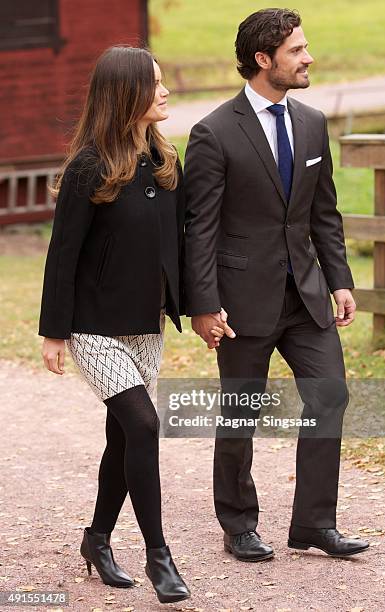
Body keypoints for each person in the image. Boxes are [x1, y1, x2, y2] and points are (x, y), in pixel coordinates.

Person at [183, 8, 370, 561]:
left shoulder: (312, 122)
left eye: (305, 48)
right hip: (241, 302)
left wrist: (339, 280)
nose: (308, 57)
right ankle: (238, 523)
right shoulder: (213, 132)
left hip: (306, 295)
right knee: (241, 410)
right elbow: (201, 229)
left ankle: (314, 523)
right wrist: (204, 304)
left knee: (328, 394)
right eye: (296, 50)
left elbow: (324, 213)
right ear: (263, 59)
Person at [37, 45, 215, 604]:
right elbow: (62, 253)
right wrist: (54, 331)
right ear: (126, 94)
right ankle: (160, 554)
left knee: (124, 435)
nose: (165, 92)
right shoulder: (89, 166)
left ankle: (96, 538)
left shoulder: (165, 161)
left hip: (145, 325)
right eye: (155, 84)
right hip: (94, 326)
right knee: (142, 426)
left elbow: (179, 246)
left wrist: (200, 306)